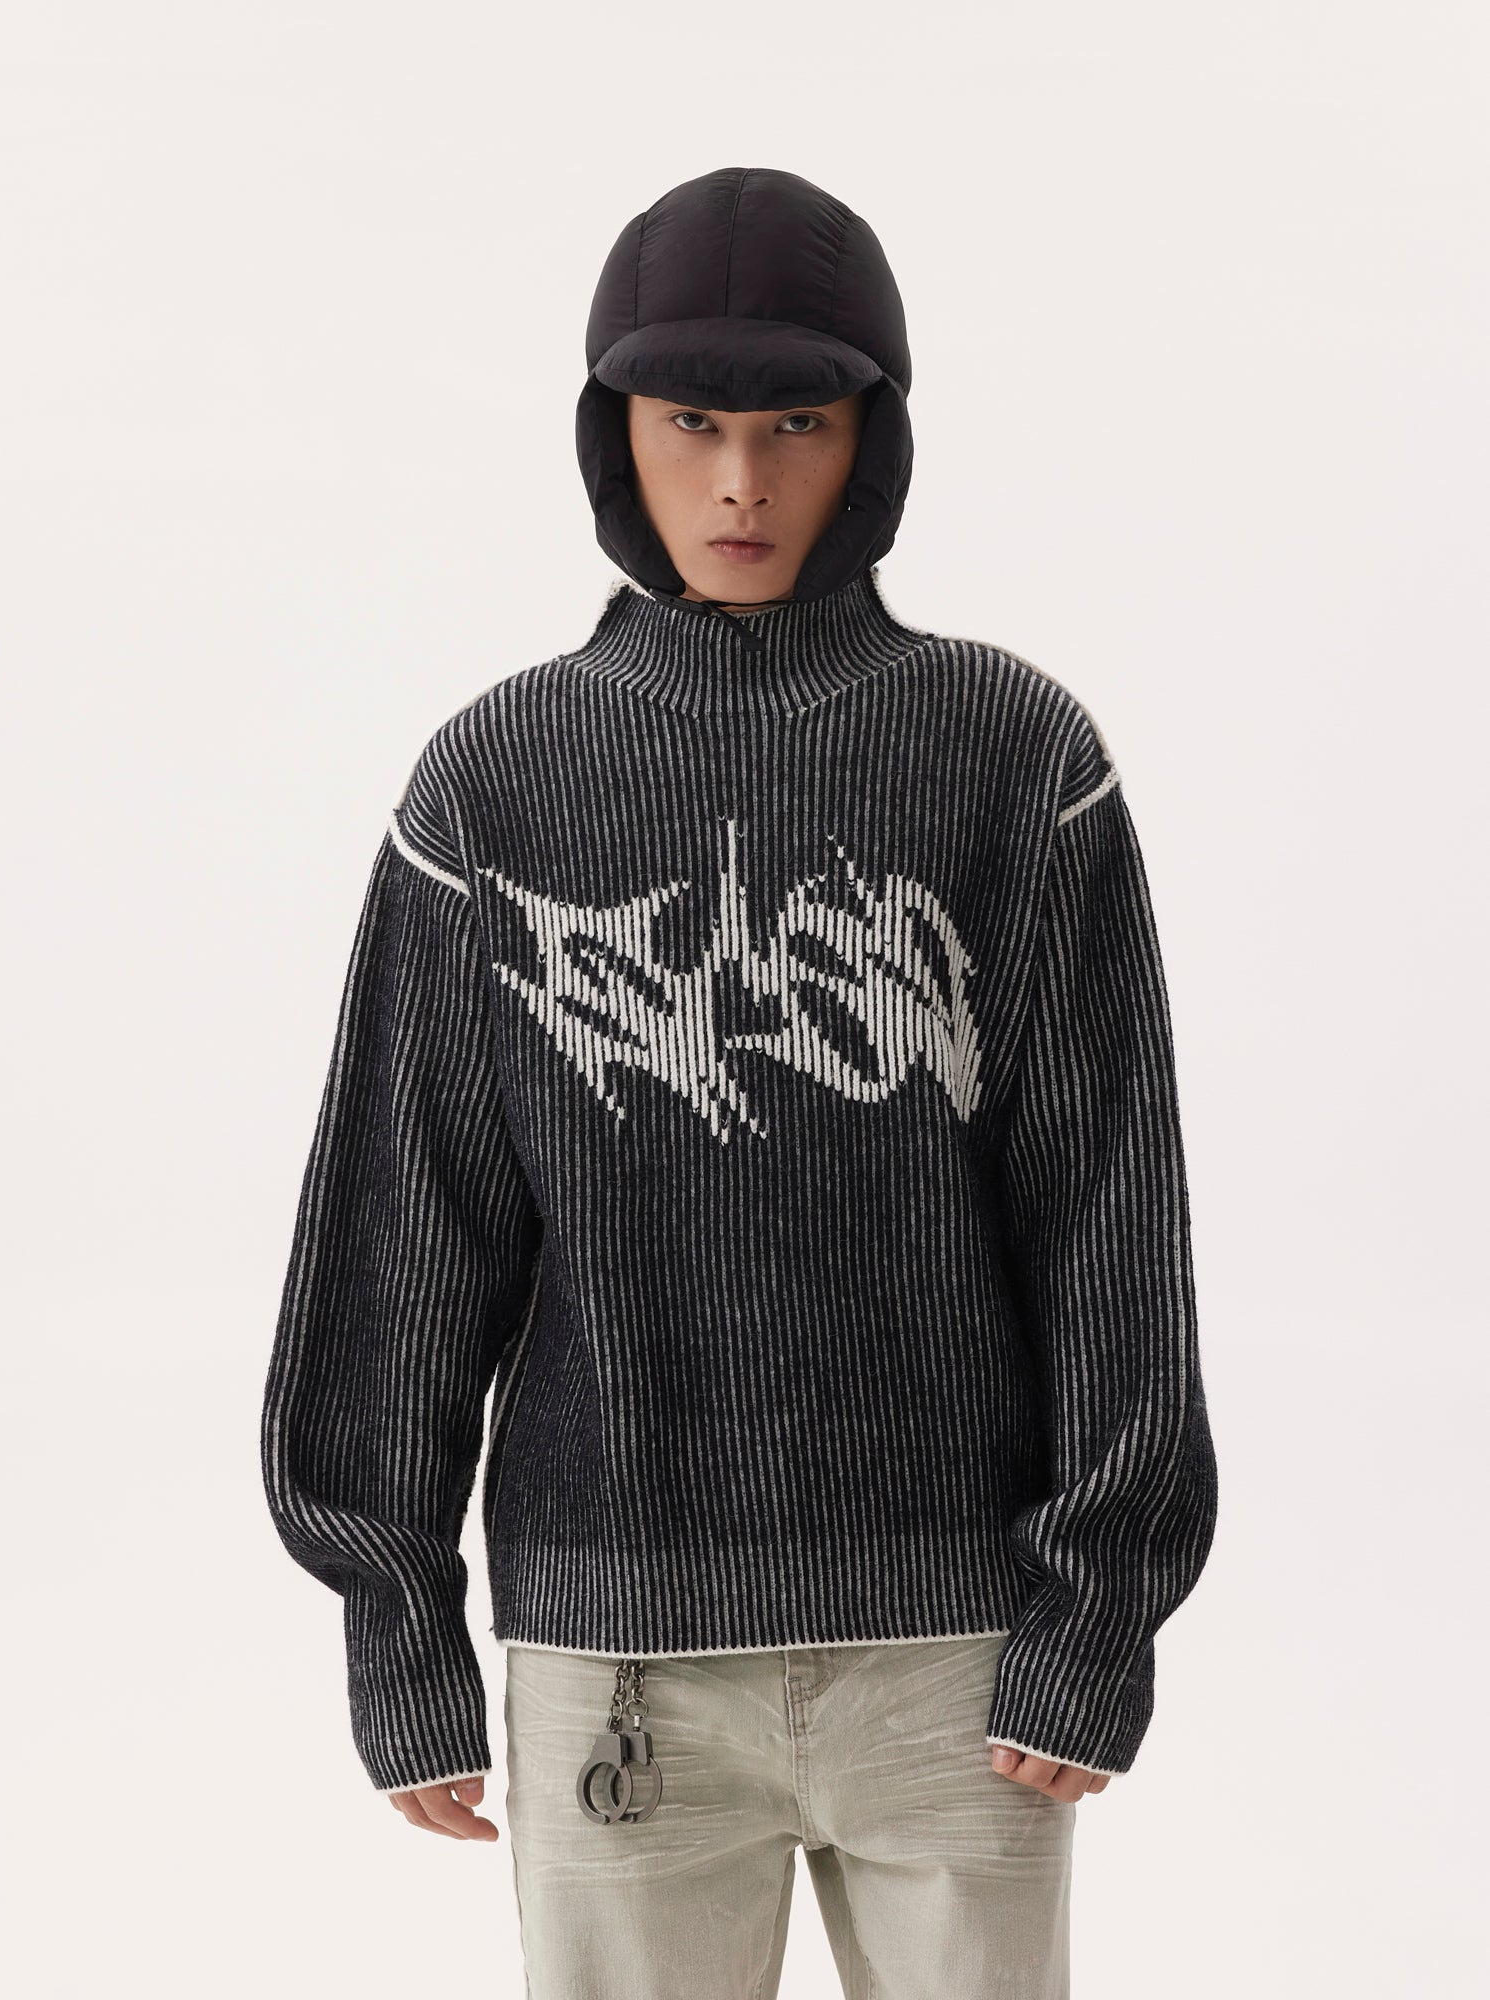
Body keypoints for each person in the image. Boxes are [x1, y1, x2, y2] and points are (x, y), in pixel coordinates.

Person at [260, 165, 1218, 1998]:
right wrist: (396, 1624)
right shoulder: (495, 785)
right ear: (613, 433)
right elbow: (405, 1225)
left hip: (965, 1661)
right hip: (616, 1661)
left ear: (876, 438)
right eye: (690, 423)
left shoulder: (1016, 759)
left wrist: (1099, 1611)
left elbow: (1105, 1209)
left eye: (798, 425)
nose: (741, 486)